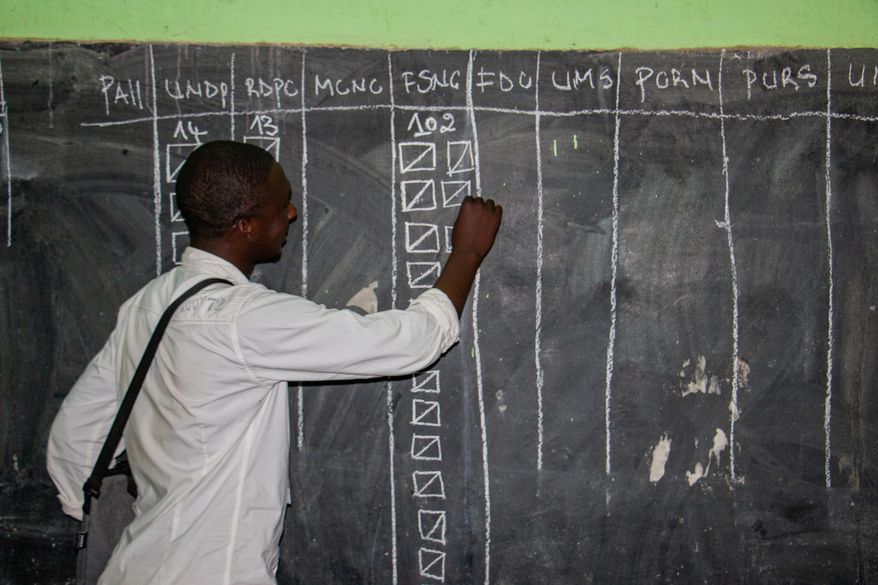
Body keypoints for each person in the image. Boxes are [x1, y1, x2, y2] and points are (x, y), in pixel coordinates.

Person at [46, 140, 502, 585]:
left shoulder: (147, 305)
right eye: (281, 204)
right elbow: (411, 343)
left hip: (134, 564)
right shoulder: (243, 319)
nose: (292, 214)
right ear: (245, 225)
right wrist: (466, 253)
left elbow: (75, 440)